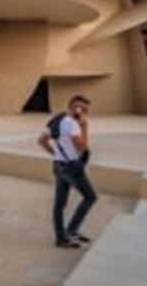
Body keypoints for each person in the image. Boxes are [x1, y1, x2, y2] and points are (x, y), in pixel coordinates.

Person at [37, 95, 97, 249]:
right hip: (72, 168)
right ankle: (71, 230)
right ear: (77, 109)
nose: (85, 112)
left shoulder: (57, 120)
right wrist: (84, 127)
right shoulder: (73, 125)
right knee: (90, 197)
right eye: (83, 109)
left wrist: (55, 154)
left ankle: (61, 237)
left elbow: (41, 140)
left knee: (59, 204)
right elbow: (81, 147)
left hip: (58, 165)